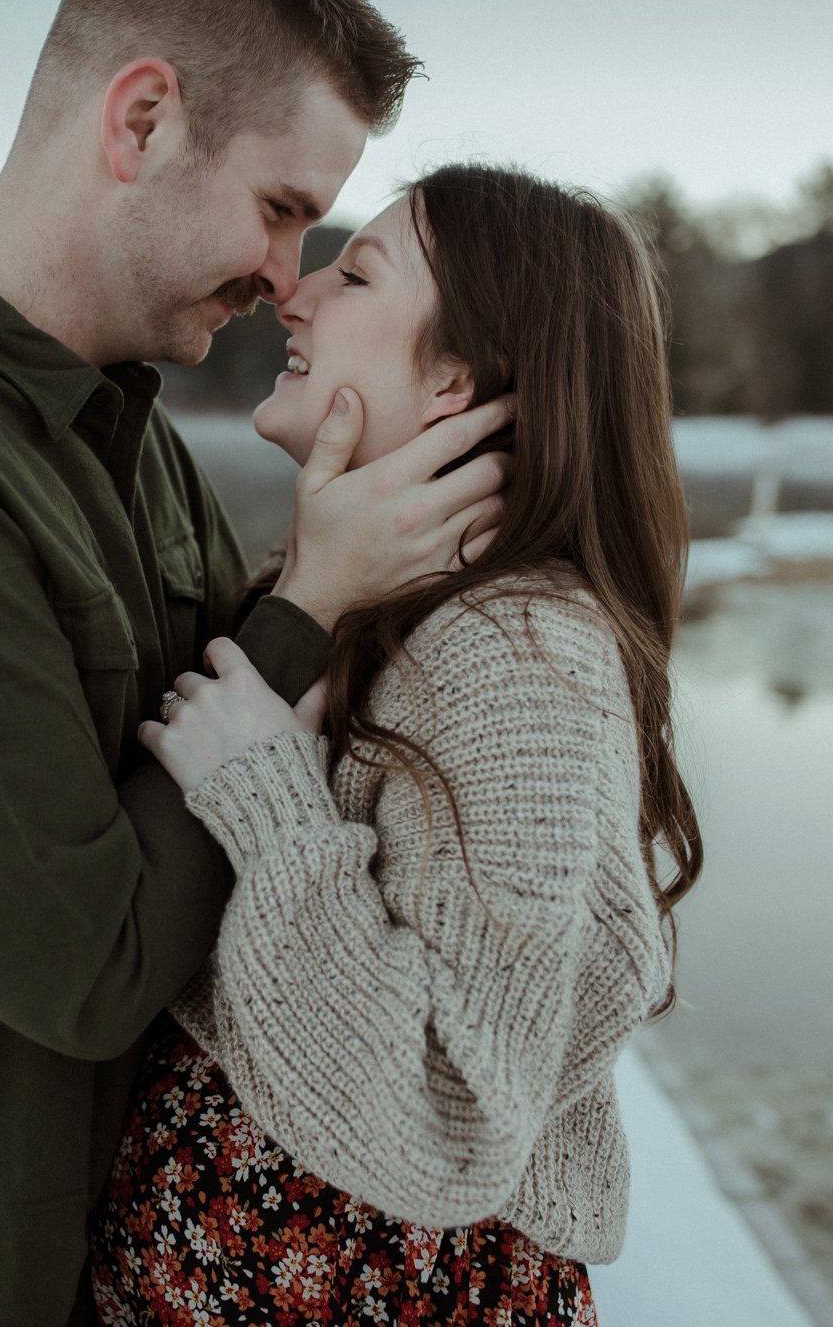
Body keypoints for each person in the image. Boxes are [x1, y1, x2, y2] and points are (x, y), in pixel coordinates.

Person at [0, 0, 516, 1324]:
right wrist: (317, 592)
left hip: (102, 1262)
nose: (288, 276)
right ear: (142, 121)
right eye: (282, 206)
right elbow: (92, 962)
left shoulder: (130, 440)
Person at [88, 163, 703, 1324]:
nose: (295, 295)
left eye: (355, 271)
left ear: (454, 382)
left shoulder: (514, 659)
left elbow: (447, 1116)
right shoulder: (373, 607)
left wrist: (261, 797)